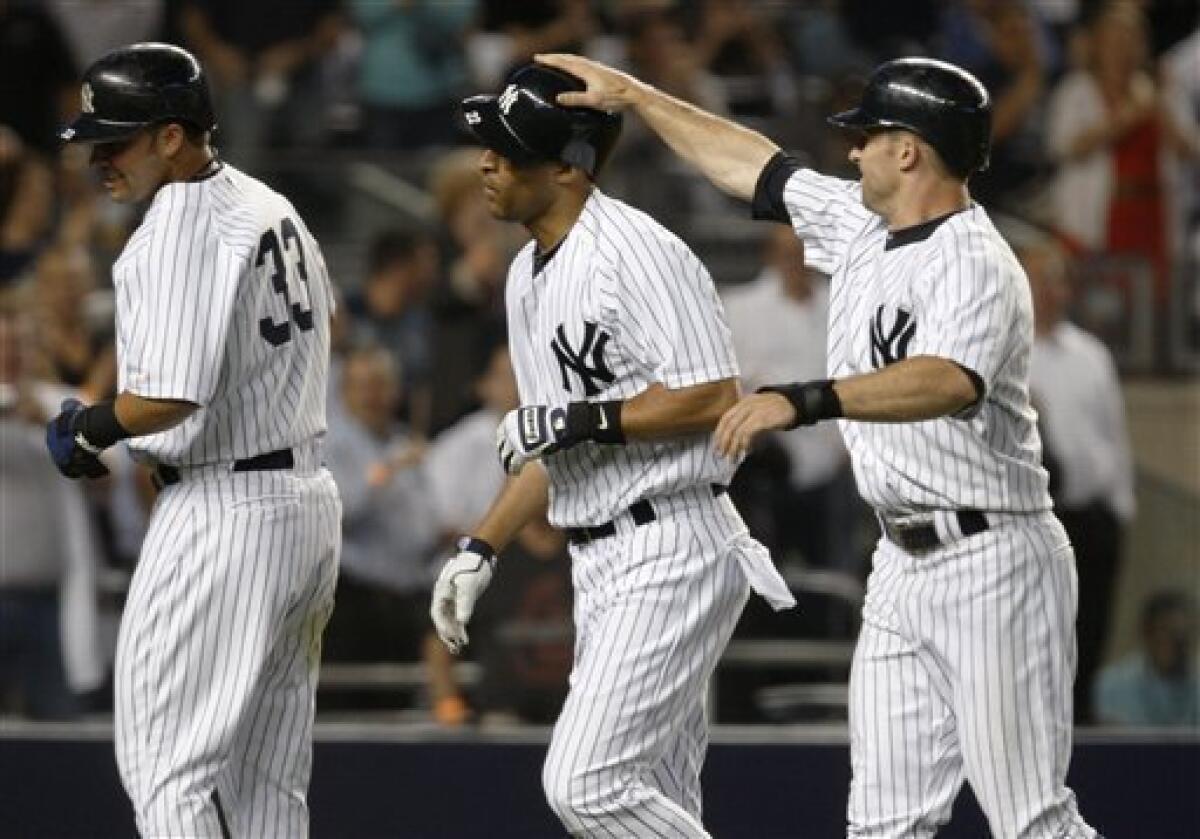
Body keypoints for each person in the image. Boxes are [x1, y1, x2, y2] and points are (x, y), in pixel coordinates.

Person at [537, 51, 1099, 837]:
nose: (853, 149)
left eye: (868, 135)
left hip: (994, 559)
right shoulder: (863, 224)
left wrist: (805, 400)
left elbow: (946, 379)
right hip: (901, 564)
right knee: (881, 825)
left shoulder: (978, 260)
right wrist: (639, 95)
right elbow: (755, 169)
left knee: (1032, 820)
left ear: (908, 150)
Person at [429, 63, 794, 837]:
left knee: (585, 784)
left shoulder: (635, 252)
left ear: (568, 166)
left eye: (507, 150)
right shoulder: (526, 271)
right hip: (601, 553)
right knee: (657, 798)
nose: (486, 163)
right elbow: (550, 439)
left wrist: (579, 421)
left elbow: (710, 395)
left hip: (674, 539)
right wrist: (481, 547)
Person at [47, 43, 341, 837]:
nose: (99, 157)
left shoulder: (177, 219)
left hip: (225, 507)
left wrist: (88, 426)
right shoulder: (269, 203)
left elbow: (171, 396)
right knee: (268, 781)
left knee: (167, 767)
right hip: (305, 504)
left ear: (174, 135)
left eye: (117, 139)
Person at [1023, 239, 1135, 724]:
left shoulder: (1091, 354)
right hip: (1042, 516)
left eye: (1056, 280)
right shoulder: (1009, 352)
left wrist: (1120, 505)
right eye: (1038, 280)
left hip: (1095, 514)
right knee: (1044, 631)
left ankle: (1084, 712)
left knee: (1092, 623)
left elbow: (1114, 432)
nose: (1048, 290)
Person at [321, 345, 459, 722]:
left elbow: (423, 513)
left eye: (380, 385)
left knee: (396, 708)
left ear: (395, 391)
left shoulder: (403, 441)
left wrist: (437, 533)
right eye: (362, 386)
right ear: (345, 391)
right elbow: (337, 514)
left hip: (404, 596)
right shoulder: (330, 443)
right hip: (351, 596)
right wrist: (384, 472)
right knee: (347, 711)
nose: (372, 396)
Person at [1094, 590, 1199, 727]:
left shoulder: (1196, 684)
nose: (1176, 643)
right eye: (1166, 632)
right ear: (1148, 634)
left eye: (1181, 635)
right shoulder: (1113, 684)